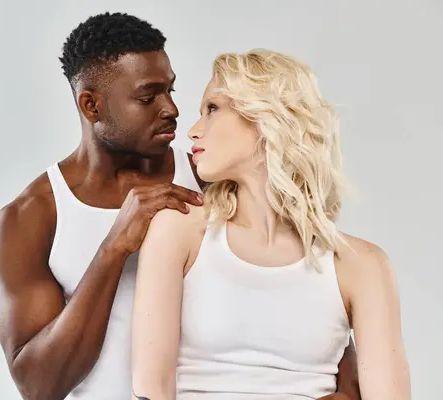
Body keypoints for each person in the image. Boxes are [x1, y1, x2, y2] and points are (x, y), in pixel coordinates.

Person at [0, 12, 362, 400]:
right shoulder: (34, 215)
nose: (172, 109)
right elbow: (38, 387)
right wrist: (113, 249)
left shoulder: (210, 176)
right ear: (91, 106)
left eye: (171, 90)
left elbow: (315, 305)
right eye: (148, 97)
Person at [131, 49, 411, 400]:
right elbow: (149, 390)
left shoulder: (363, 266)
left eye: (212, 109)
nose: (193, 130)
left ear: (265, 118)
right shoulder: (179, 230)